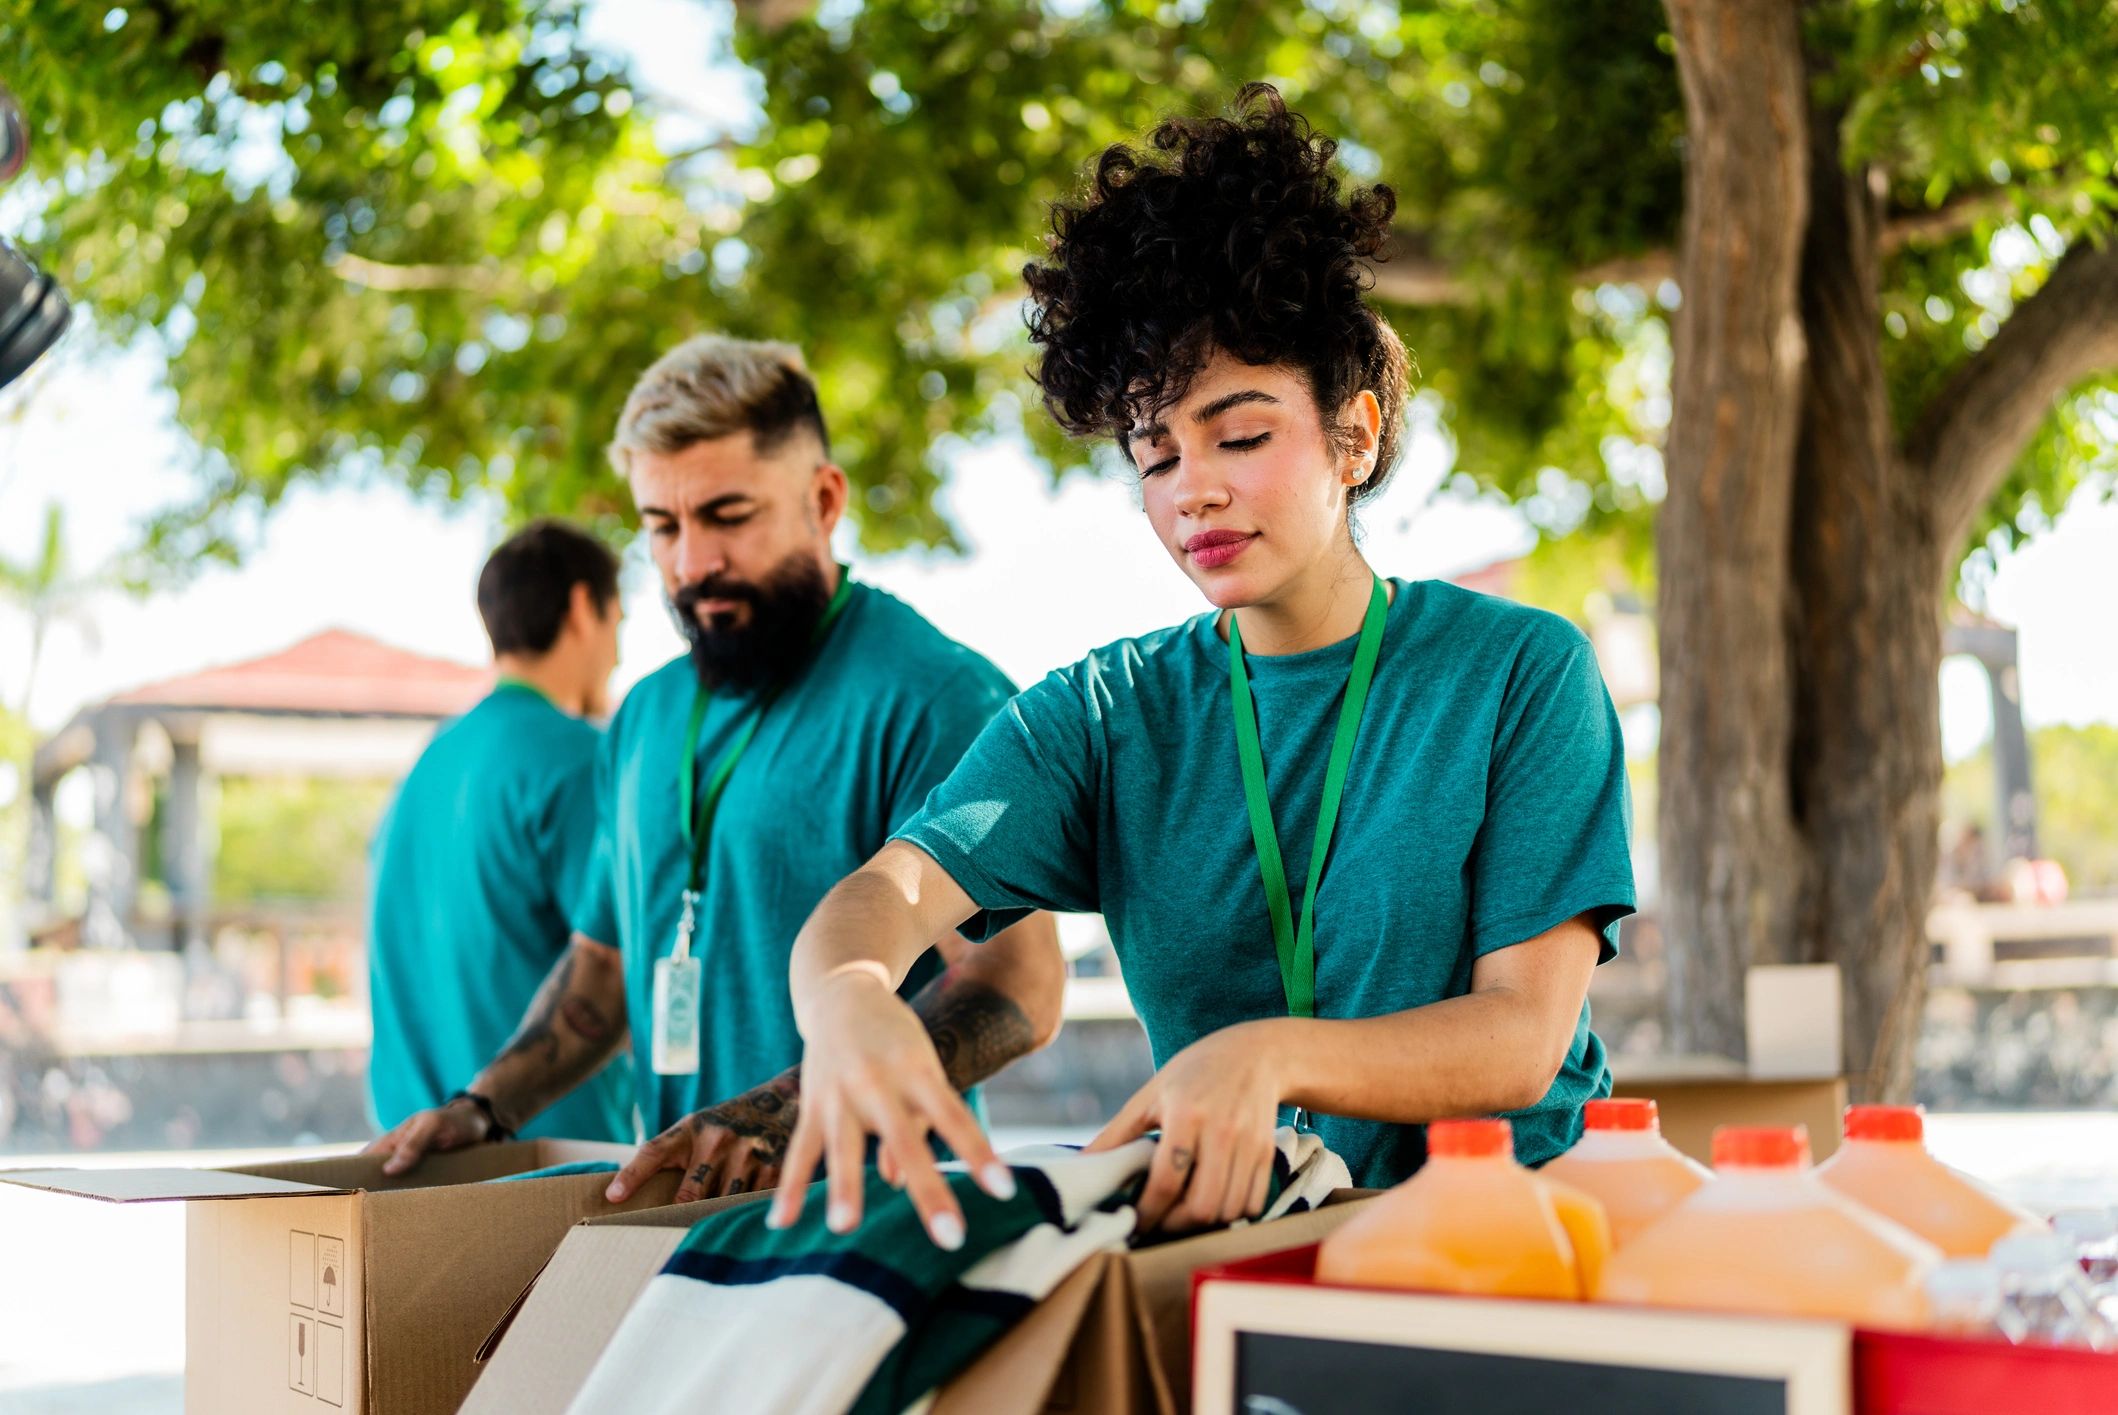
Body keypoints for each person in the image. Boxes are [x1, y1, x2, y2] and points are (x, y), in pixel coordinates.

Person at [768, 86, 1637, 1249]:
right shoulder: (1103, 712)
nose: (1194, 491)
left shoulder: (1520, 673)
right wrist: (848, 1000)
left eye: (1239, 434)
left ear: (1355, 433)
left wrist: (1262, 1052)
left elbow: (1522, 1036)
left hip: (1504, 1246)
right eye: (1155, 451)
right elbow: (888, 895)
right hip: (1237, 1249)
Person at [367, 336, 1064, 1211]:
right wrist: (484, 1106)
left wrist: (778, 1111)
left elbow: (1022, 984)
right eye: (663, 527)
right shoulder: (643, 717)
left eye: (729, 515)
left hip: (878, 1235)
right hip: (678, 1232)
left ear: (823, 499)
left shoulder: (934, 694)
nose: (693, 564)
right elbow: (599, 974)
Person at [366, 519, 632, 1142]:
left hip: (405, 1151)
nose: (617, 654)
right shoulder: (577, 759)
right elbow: (618, 968)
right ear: (580, 609)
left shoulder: (430, 759)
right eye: (618, 622)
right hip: (545, 1162)